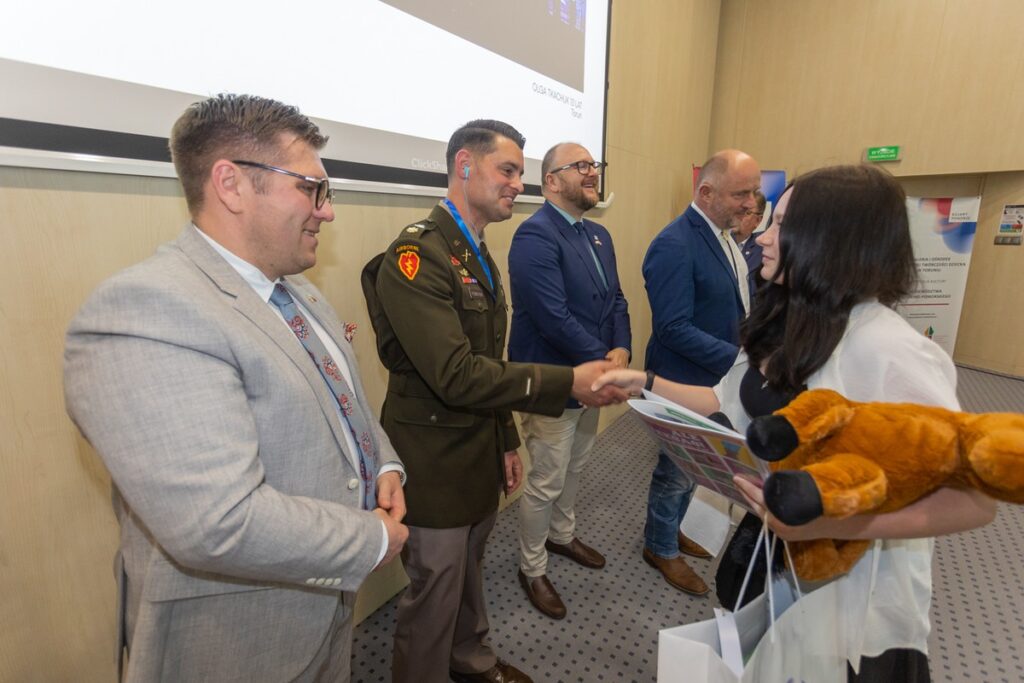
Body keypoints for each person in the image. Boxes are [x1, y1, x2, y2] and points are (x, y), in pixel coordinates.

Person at [594, 164, 997, 681]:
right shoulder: (786, 323)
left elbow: (971, 499)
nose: (762, 236)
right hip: (776, 553)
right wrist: (644, 383)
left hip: (856, 598)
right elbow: (722, 399)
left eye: (781, 225)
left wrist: (831, 523)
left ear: (832, 241)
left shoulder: (891, 351)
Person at [63, 94, 409, 683]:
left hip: (323, 612)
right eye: (312, 189)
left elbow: (344, 404)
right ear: (231, 184)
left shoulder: (298, 292)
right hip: (237, 642)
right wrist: (371, 539)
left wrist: (385, 465)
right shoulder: (147, 309)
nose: (327, 212)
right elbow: (218, 522)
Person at [362, 121, 624, 683]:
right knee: (435, 592)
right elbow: (456, 374)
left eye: (520, 174)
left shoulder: (474, 250)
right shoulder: (417, 252)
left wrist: (506, 438)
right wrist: (567, 382)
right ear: (464, 165)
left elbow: (490, 358)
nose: (516, 184)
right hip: (435, 459)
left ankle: (471, 660)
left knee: (468, 573)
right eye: (507, 170)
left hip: (477, 447)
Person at [507, 142, 631, 619]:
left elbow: (617, 300)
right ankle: (532, 567)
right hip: (554, 379)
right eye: (581, 166)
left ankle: (561, 536)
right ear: (551, 181)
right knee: (546, 479)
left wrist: (621, 349)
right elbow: (552, 317)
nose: (592, 172)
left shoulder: (598, 234)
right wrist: (605, 362)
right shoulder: (534, 234)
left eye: (594, 164)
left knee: (576, 466)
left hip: (594, 377)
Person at [641, 149, 761, 595]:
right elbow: (672, 328)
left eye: (754, 193)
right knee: (675, 472)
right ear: (706, 192)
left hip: (712, 379)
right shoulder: (674, 244)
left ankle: (671, 531)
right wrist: (738, 359)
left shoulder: (724, 236)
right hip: (683, 378)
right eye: (741, 194)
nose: (751, 204)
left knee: (696, 467)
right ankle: (659, 547)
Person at [735, 188, 767, 295]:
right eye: (736, 210)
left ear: (758, 220)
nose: (737, 216)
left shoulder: (764, 250)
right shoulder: (716, 243)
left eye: (746, 212)